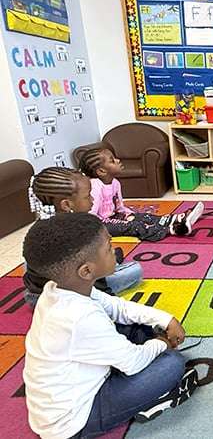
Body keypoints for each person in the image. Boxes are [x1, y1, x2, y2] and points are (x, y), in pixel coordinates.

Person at [22, 213, 199, 438]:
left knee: (139, 327)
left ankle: (144, 362)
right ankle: (157, 399)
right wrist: (162, 343)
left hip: (75, 388)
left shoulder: (59, 290)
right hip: (75, 421)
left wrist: (165, 319)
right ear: (86, 271)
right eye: (108, 248)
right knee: (172, 364)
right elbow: (134, 363)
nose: (115, 252)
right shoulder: (79, 317)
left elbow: (118, 308)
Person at [24, 166, 142, 306]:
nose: (93, 199)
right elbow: (93, 281)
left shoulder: (37, 227)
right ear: (67, 204)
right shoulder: (84, 230)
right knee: (135, 270)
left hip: (36, 296)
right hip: (73, 297)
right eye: (87, 196)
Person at [79, 148, 203, 241]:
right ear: (101, 171)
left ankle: (176, 219)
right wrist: (116, 223)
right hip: (100, 224)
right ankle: (173, 229)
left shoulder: (115, 183)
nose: (118, 160)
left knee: (143, 217)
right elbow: (91, 216)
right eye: (112, 160)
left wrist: (131, 214)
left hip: (114, 216)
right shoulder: (95, 186)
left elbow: (119, 206)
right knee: (134, 226)